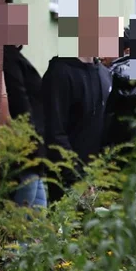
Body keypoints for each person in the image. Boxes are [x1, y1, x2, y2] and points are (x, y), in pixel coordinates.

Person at [42, 49, 112, 201]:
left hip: (100, 182)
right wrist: (78, 179)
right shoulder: (60, 73)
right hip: (68, 183)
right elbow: (54, 133)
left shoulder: (105, 74)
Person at [2, 44, 48, 207]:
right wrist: (32, 142)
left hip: (33, 148)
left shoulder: (13, 57)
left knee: (37, 214)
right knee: (24, 215)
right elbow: (19, 103)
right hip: (27, 148)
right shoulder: (9, 57)